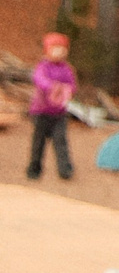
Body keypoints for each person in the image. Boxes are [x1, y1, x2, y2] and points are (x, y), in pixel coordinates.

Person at [24, 32, 76, 181]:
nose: (59, 53)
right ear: (47, 50)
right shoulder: (43, 66)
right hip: (41, 112)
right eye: (55, 49)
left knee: (61, 141)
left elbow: (72, 84)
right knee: (38, 142)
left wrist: (67, 90)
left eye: (62, 49)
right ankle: (34, 169)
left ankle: (65, 169)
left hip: (59, 113)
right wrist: (53, 87)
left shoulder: (66, 68)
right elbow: (39, 80)